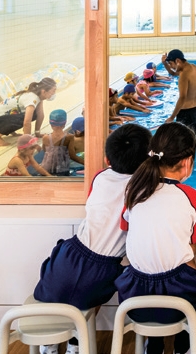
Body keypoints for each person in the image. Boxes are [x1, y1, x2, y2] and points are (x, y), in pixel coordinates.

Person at [33, 123, 153, 354]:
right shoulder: (144, 188)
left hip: (70, 254)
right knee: (89, 300)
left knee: (58, 294)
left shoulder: (100, 177)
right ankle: (76, 343)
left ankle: (49, 343)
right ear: (147, 161)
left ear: (108, 160)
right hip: (104, 266)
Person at [115, 122, 196, 354]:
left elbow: (126, 225)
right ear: (187, 162)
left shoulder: (134, 188)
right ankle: (183, 343)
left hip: (134, 298)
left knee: (149, 258)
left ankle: (155, 343)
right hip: (178, 303)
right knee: (189, 255)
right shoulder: (191, 196)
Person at [0, 77, 57, 146]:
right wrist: (28, 141)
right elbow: (26, 123)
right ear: (44, 91)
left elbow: (40, 115)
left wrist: (37, 133)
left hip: (0, 118)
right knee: (22, 119)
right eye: (53, 90)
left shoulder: (39, 95)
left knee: (34, 114)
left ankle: (10, 130)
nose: (54, 93)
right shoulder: (32, 98)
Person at [164, 49, 196, 135]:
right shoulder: (194, 67)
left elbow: (182, 97)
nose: (170, 66)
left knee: (182, 144)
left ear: (177, 61)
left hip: (186, 114)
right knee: (195, 140)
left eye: (171, 63)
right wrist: (164, 63)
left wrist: (172, 117)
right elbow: (173, 73)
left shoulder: (183, 76)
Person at [40, 109, 82, 176]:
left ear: (50, 123)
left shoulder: (45, 137)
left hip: (46, 169)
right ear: (64, 123)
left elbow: (45, 151)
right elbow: (72, 155)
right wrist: (84, 162)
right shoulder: (69, 137)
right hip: (62, 170)